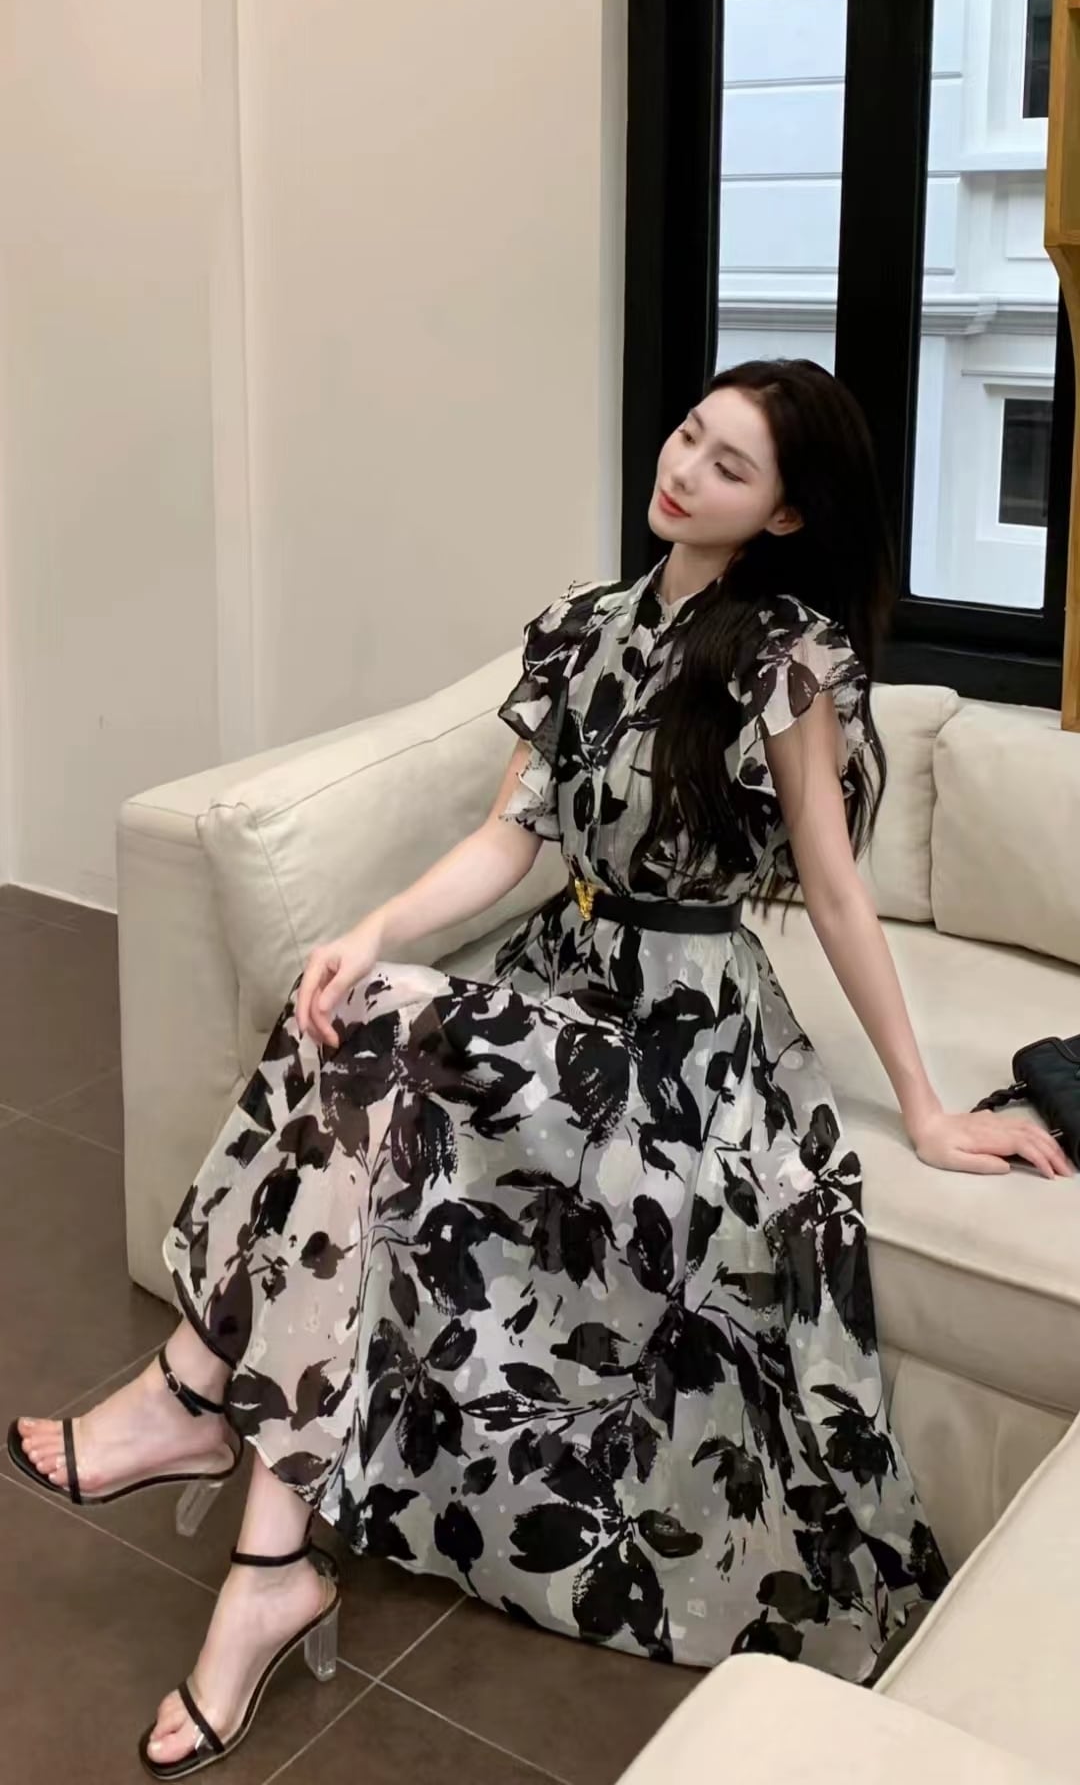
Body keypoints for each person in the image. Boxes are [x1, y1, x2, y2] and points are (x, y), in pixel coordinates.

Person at [10, 359, 1071, 1778]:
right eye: (689, 434)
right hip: (562, 980)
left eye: (730, 467)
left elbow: (833, 894)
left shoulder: (786, 655)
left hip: (682, 1040)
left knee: (384, 1036)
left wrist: (925, 1109)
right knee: (359, 1026)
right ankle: (266, 1555)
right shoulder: (583, 627)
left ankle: (197, 1398)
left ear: (784, 515)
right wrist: (373, 926)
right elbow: (517, 839)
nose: (683, 470)